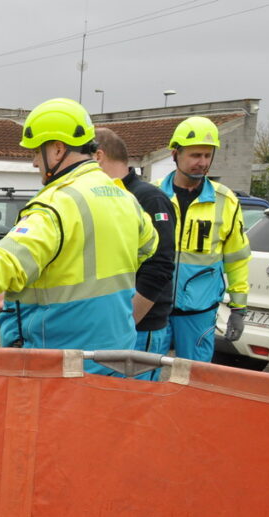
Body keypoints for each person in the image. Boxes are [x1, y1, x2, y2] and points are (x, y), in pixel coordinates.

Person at [0, 98, 158, 376]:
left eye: (36, 153)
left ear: (57, 149)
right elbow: (148, 247)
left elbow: (7, 260)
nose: (33, 162)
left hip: (60, 364)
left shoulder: (58, 205)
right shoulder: (124, 198)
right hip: (113, 356)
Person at [158, 116, 250, 362]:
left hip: (199, 312)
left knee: (195, 380)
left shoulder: (226, 201)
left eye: (207, 156)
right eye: (195, 155)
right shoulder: (153, 197)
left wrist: (239, 308)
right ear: (175, 154)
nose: (202, 163)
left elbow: (237, 257)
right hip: (154, 305)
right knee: (143, 378)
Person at [94, 127, 176, 379]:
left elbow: (160, 266)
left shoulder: (150, 198)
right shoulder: (104, 197)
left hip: (140, 327)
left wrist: (127, 323)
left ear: (98, 157)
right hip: (113, 325)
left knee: (137, 405)